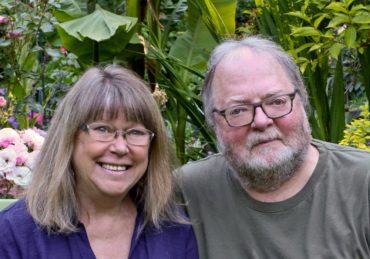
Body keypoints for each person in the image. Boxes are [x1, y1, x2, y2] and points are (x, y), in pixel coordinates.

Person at [178, 35, 370, 258]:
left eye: (276, 101)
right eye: (238, 110)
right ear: (213, 122)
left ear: (303, 102)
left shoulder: (363, 183)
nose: (261, 121)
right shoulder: (184, 193)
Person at [0, 65, 199, 259]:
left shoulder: (173, 231)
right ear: (69, 137)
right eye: (103, 129)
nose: (120, 148)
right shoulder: (15, 234)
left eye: (136, 132)